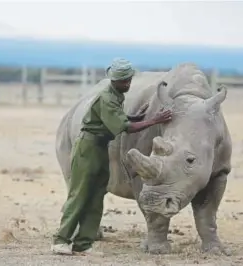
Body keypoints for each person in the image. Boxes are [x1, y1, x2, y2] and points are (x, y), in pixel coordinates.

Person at [51, 58, 173, 256]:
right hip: (88, 147)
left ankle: (83, 243)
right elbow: (125, 128)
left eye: (128, 80)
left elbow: (117, 119)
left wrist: (137, 116)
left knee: (98, 194)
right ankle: (61, 240)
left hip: (101, 147)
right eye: (123, 81)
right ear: (113, 80)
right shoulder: (107, 97)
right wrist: (153, 120)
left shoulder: (117, 95)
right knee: (80, 194)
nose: (127, 84)